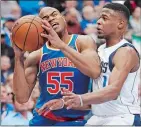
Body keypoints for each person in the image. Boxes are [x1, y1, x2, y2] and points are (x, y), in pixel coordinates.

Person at [12, 7, 101, 126]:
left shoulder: (82, 42)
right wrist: (18, 57)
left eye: (54, 14)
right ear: (41, 26)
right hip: (42, 118)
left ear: (63, 19)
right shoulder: (37, 54)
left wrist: (61, 45)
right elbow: (21, 98)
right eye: (45, 18)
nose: (50, 18)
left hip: (73, 120)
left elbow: (94, 71)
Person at [58, 3, 140, 126]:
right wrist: (69, 102)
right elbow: (99, 100)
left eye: (104, 18)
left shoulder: (126, 51)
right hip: (98, 117)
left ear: (120, 24)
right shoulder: (100, 49)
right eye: (99, 17)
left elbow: (113, 92)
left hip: (122, 118)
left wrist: (81, 98)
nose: (98, 22)